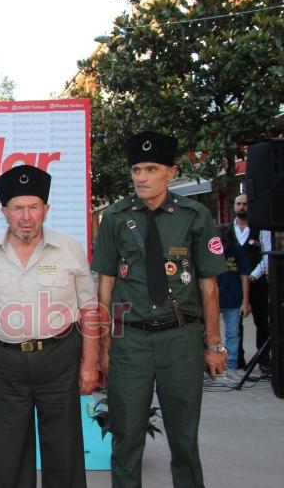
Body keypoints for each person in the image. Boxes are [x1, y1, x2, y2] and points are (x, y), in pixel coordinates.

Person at [91, 131, 228, 488]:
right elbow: (104, 284)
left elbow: (208, 285)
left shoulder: (194, 216)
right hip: (131, 342)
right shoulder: (116, 218)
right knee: (127, 439)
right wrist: (104, 345)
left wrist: (214, 345)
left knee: (184, 440)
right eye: (136, 169)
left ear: (170, 172)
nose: (141, 177)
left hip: (181, 340)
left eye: (150, 169)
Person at [0, 165, 98, 488]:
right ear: (4, 212)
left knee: (64, 451)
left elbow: (89, 308)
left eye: (33, 207)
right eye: (17, 208)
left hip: (59, 360)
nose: (25, 217)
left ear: (46, 209)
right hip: (6, 363)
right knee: (11, 453)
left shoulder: (69, 248)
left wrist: (90, 362)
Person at [232, 193, 272, 372]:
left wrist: (252, 276)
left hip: (257, 282)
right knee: (234, 323)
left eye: (245, 204)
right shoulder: (226, 230)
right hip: (234, 285)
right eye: (238, 204)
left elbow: (267, 256)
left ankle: (264, 360)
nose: (242, 207)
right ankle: (238, 360)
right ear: (234, 207)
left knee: (262, 322)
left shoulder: (261, 229)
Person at [215, 224, 250, 382]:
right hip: (214, 299)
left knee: (232, 335)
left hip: (233, 298)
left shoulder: (237, 249)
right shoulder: (212, 249)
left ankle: (231, 368)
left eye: (225, 243)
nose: (222, 246)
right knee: (211, 334)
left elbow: (244, 276)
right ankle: (212, 367)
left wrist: (245, 301)